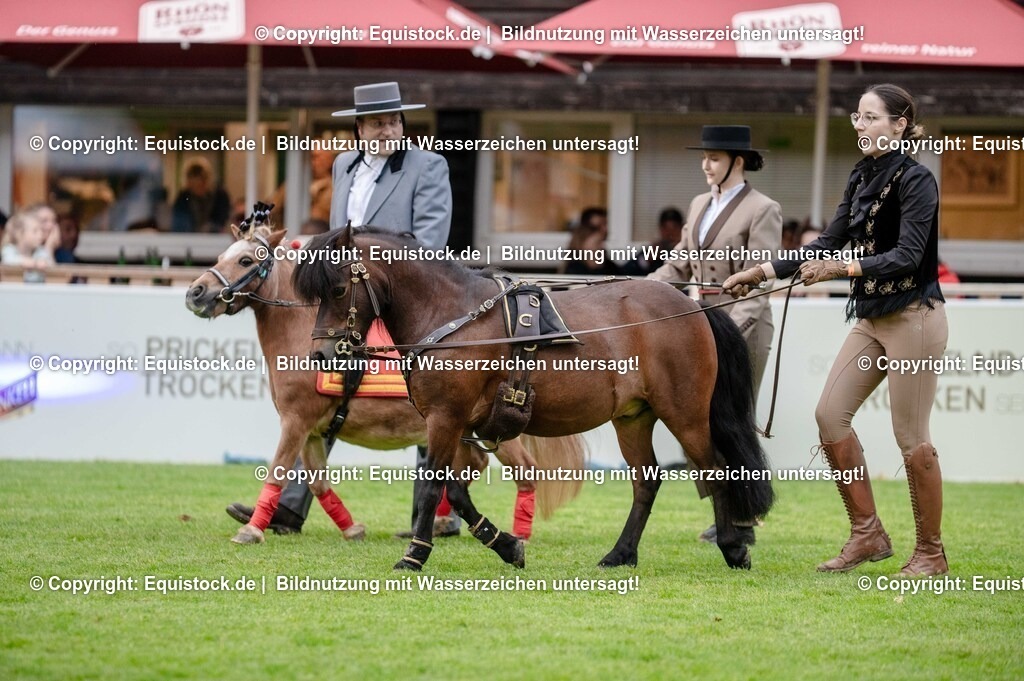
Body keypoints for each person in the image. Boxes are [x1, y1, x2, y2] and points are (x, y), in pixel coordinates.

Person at [724, 84, 949, 577]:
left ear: (900, 124)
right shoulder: (862, 175)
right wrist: (762, 272)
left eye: (872, 118)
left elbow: (908, 256)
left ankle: (931, 553)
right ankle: (868, 533)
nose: (863, 126)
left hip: (915, 317)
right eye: (858, 118)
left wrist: (841, 271)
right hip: (872, 318)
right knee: (829, 416)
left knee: (911, 438)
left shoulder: (918, 181)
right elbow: (827, 241)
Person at [227, 82, 456, 538]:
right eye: (377, 123)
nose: (387, 129)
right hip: (348, 296)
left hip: (405, 295)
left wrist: (376, 270)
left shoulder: (428, 165)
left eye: (394, 121)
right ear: (358, 127)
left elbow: (430, 241)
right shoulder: (342, 165)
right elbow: (338, 236)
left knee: (425, 396)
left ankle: (430, 518)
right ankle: (291, 505)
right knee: (324, 382)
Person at [648, 125, 782, 543]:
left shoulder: (763, 208)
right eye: (704, 157)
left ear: (737, 162)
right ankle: (726, 508)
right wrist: (636, 291)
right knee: (697, 423)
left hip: (741, 324)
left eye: (715, 158)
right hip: (700, 321)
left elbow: (761, 282)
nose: (706, 165)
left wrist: (732, 335)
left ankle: (743, 523)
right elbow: (678, 266)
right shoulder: (699, 203)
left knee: (735, 421)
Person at [171, 158, 231, 233]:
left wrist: (212, 227)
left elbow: (225, 220)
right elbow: (179, 224)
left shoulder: (220, 196)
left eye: (200, 185)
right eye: (194, 186)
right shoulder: (183, 198)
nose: (198, 189)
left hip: (216, 239)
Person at [622, 207, 685, 276]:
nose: (669, 233)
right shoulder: (653, 250)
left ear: (682, 228)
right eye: (665, 228)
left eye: (674, 228)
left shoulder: (687, 251)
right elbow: (624, 272)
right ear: (660, 229)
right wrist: (647, 259)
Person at [1, 208, 58, 283]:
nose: (40, 235)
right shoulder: (9, 249)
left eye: (41, 230)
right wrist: (33, 263)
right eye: (35, 231)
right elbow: (9, 261)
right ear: (19, 234)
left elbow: (51, 266)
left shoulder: (41, 251)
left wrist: (48, 248)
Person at [562, 207, 619, 275]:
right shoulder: (574, 266)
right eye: (598, 226)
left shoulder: (609, 265)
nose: (604, 229)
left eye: (605, 224)